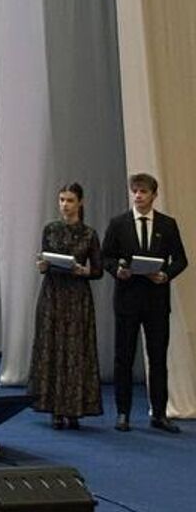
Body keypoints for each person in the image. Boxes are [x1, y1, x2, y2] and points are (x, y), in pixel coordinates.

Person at [105, 172, 186, 433]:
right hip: (127, 299)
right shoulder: (119, 223)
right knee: (124, 358)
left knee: (158, 358)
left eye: (143, 192)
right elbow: (106, 257)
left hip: (156, 301)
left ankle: (159, 414)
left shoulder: (167, 224)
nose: (138, 196)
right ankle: (123, 413)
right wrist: (117, 270)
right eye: (135, 191)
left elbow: (181, 260)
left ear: (154, 195)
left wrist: (166, 275)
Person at [30, 183, 102, 429]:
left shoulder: (89, 234)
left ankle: (74, 408)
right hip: (53, 293)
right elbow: (44, 260)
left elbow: (98, 270)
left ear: (80, 203)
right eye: (61, 200)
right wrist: (41, 265)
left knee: (75, 351)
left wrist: (84, 271)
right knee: (52, 347)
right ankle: (54, 408)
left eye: (70, 200)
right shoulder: (50, 229)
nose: (65, 205)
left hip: (76, 296)